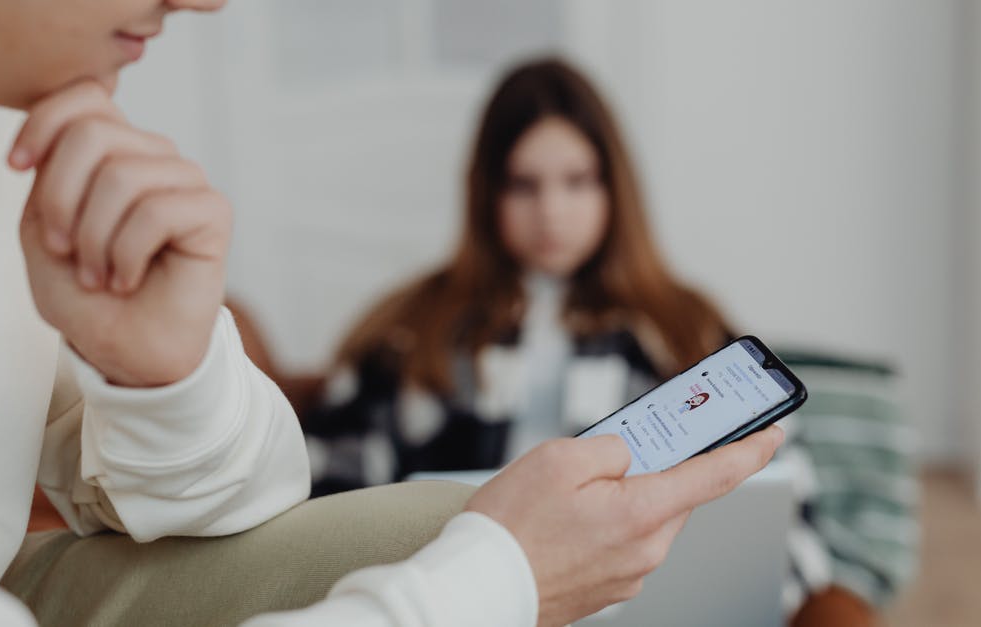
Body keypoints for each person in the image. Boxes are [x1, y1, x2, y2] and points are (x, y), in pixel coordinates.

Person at [0, 3, 783, 626]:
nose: (209, 3)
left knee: (448, 521)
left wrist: (167, 372)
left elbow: (254, 502)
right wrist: (498, 580)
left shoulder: (11, 143)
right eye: (526, 184)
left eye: (577, 182)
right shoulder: (425, 330)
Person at [303, 58, 900, 625]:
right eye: (523, 185)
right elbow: (328, 510)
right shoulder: (413, 329)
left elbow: (782, 516)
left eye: (577, 181)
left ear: (614, 188)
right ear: (486, 193)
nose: (552, 212)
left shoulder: (681, 327)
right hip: (462, 605)